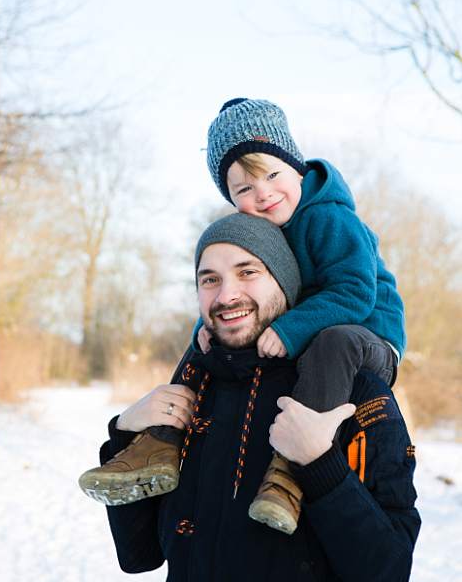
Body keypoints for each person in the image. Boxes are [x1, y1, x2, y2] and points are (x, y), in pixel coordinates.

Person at [83, 214, 419, 582]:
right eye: (209, 279)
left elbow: (385, 580)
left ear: (284, 281)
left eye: (248, 272)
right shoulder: (193, 389)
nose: (227, 295)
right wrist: (126, 434)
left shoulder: (353, 393)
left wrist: (320, 465)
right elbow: (139, 553)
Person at [80, 98, 405, 535]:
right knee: (205, 341)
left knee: (334, 341)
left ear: (297, 167)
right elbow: (245, 291)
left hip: (367, 337)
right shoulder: (271, 225)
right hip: (322, 328)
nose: (264, 194)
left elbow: (355, 292)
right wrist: (206, 327)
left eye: (272, 175)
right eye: (244, 189)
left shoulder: (329, 218)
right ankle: (158, 442)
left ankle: (289, 472)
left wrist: (290, 329)